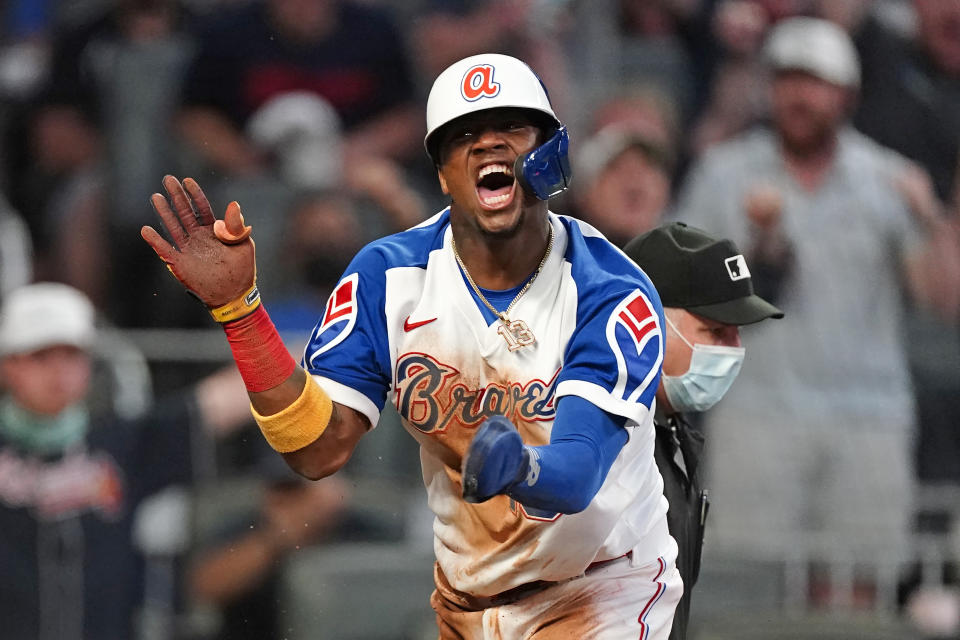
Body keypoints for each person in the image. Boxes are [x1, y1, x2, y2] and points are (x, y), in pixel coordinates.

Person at [142, 53, 682, 638]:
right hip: (469, 597)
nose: (488, 144)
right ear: (443, 173)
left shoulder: (609, 287)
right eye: (465, 135)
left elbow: (578, 472)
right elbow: (317, 450)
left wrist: (519, 466)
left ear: (551, 153)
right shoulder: (388, 276)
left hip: (604, 586)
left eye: (512, 128)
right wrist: (241, 314)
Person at [669, 16, 960, 607]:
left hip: (868, 417)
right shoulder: (723, 172)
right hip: (756, 414)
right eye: (787, 79)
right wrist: (755, 256)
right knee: (747, 590)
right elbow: (675, 299)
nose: (800, 96)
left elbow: (945, 300)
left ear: (846, 94)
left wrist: (929, 216)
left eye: (816, 82)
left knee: (860, 590)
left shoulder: (887, 177)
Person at [0, 282, 251, 639]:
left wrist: (325, 350)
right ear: (8, 365)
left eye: (71, 355)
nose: (58, 371)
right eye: (40, 356)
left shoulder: (121, 443)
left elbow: (215, 405)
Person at [623, 221, 783, 639]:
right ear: (644, 321)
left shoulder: (669, 434)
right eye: (714, 331)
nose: (733, 350)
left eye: (736, 333)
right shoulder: (594, 434)